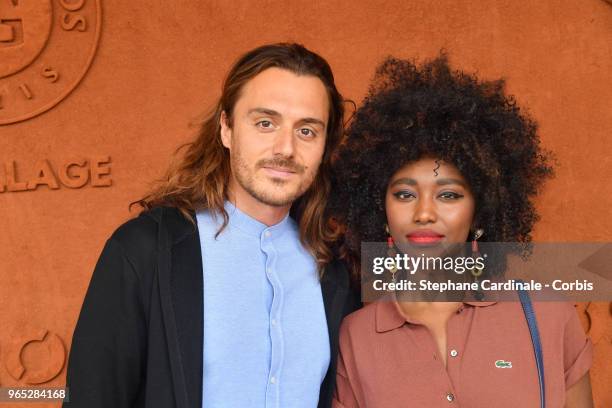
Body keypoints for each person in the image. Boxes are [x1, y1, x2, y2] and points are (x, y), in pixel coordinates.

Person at [64, 43, 358, 408]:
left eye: (307, 131)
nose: (286, 148)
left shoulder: (338, 264)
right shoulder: (144, 250)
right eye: (265, 123)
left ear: (326, 145)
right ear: (226, 129)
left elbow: (432, 294)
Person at [328, 55, 593, 407]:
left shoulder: (548, 313)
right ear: (382, 212)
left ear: (479, 209)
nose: (424, 213)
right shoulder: (356, 337)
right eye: (405, 194)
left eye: (448, 194)